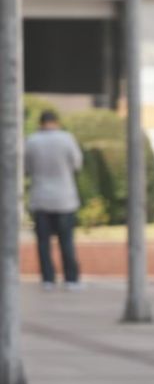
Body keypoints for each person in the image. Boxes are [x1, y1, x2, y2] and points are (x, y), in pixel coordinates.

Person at [25, 111, 83, 290]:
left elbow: (26, 168)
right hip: (65, 198)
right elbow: (77, 163)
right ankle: (71, 279)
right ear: (56, 122)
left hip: (40, 197)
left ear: (41, 122)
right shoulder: (67, 139)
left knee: (43, 243)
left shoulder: (32, 141)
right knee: (66, 241)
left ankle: (48, 279)